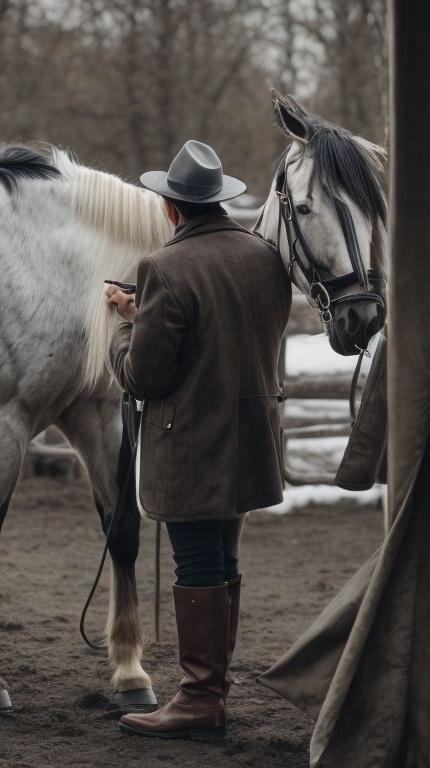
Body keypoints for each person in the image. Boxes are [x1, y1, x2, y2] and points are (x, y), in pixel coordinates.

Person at [107, 140, 291, 741]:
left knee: (197, 565)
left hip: (190, 443)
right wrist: (149, 316)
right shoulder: (265, 257)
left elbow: (144, 377)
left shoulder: (163, 268)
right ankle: (210, 694)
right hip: (250, 436)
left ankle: (199, 699)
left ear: (171, 207)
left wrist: (122, 327)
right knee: (223, 561)